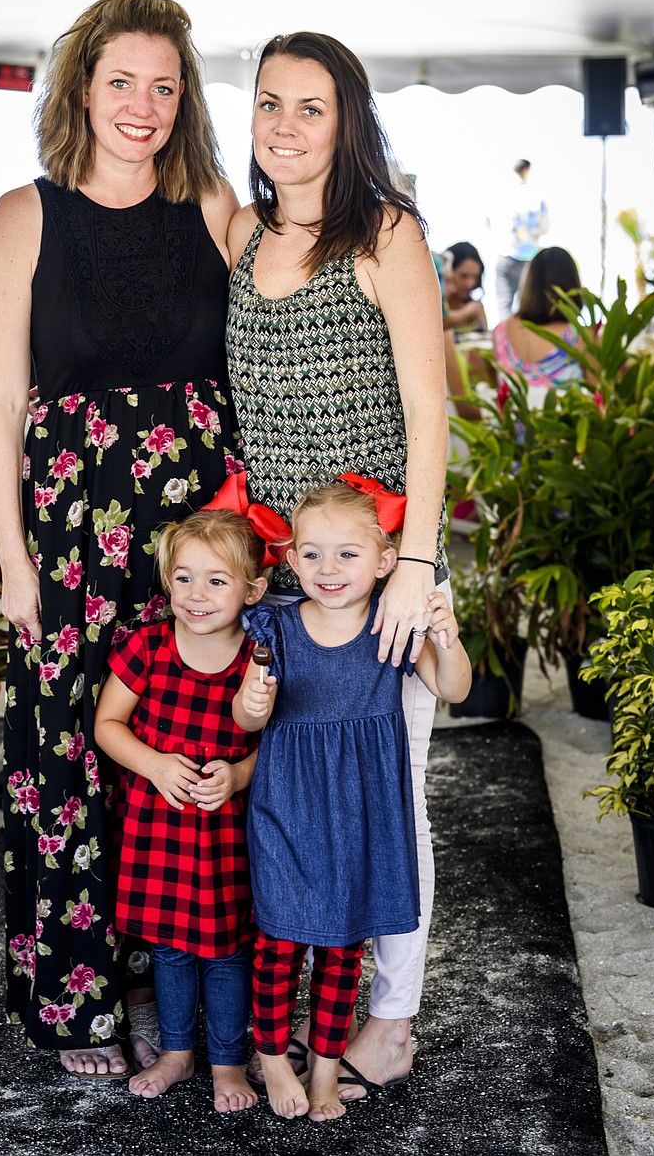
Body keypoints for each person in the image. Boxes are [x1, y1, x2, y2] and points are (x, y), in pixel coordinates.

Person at [0, 0, 241, 1079]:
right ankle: (78, 994)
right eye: (122, 81)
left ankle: (172, 982)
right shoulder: (23, 215)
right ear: (81, 88)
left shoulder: (214, 206)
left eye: (164, 86)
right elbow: (1, 404)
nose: (144, 105)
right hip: (68, 535)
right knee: (65, 755)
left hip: (194, 538)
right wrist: (12, 562)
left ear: (186, 101)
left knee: (183, 742)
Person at [224, 31, 450, 1099]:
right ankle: (287, 1013)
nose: (285, 125)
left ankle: (390, 1020)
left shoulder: (385, 231)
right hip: (281, 579)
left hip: (378, 571)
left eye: (310, 106)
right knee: (290, 799)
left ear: (347, 119)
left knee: (389, 799)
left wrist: (417, 565)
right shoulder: (239, 232)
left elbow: (430, 413)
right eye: (269, 102)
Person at [233, 478, 471, 1122]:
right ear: (290, 559)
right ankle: (274, 1057)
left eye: (348, 554)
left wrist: (447, 638)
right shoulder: (277, 626)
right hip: (287, 810)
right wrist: (252, 703)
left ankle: (325, 1070)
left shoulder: (392, 627)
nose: (328, 569)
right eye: (312, 554)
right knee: (279, 941)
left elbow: (453, 689)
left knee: (343, 952)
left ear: (386, 561)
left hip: (362, 817)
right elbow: (247, 717)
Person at [94, 507, 272, 1112]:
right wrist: (155, 764)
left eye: (217, 581)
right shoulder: (148, 646)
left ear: (253, 591)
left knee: (228, 952)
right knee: (169, 950)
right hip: (159, 831)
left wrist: (239, 775)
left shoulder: (260, 657)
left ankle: (228, 1062)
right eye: (183, 578)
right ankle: (177, 1052)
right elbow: (107, 725)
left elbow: (281, 744)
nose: (196, 594)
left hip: (227, 835)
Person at [493, 245, 586, 388]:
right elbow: (598, 396)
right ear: (572, 285)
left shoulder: (501, 331)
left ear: (528, 284)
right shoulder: (581, 337)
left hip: (513, 405)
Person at [489, 159, 550, 320]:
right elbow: (545, 227)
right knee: (529, 309)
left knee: (504, 307)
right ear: (528, 170)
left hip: (505, 255)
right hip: (530, 258)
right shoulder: (536, 196)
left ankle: (504, 336)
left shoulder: (503, 194)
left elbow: (490, 223)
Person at [442, 240, 487, 334]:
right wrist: (464, 315)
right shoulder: (437, 308)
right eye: (464, 276)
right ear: (448, 272)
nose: (470, 284)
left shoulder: (476, 307)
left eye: (475, 277)